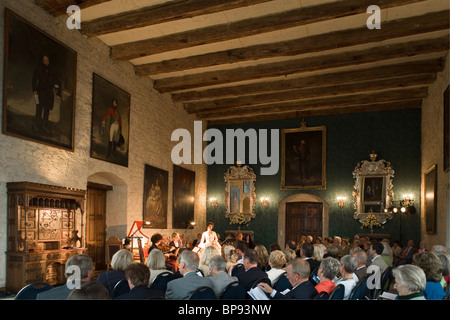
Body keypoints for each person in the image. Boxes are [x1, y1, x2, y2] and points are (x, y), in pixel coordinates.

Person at [32, 54, 61, 132]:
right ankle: (37, 125)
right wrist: (34, 90)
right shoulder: (39, 69)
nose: (46, 61)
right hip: (41, 91)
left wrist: (58, 90)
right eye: (44, 60)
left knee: (47, 109)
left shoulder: (52, 70)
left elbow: (57, 81)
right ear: (42, 60)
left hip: (49, 93)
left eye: (47, 60)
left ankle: (45, 126)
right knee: (39, 108)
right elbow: (34, 79)